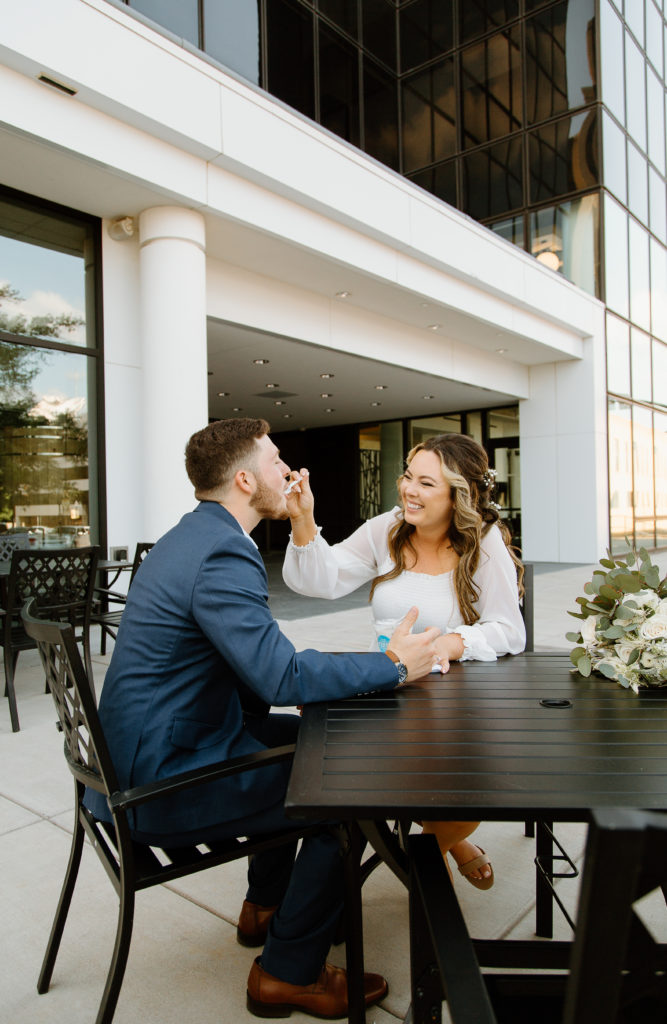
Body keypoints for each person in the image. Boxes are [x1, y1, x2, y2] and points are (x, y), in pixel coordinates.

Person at [84, 417, 440, 1020]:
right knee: (349, 788)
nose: (291, 472)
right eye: (277, 462)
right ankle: (286, 973)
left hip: (147, 751)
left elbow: (255, 669)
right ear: (246, 479)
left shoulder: (192, 537)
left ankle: (267, 907)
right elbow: (282, 677)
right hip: (159, 783)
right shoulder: (223, 551)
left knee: (318, 743)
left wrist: (317, 687)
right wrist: (394, 666)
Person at [282, 432, 526, 889]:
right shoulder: (386, 529)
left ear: (460, 496)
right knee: (343, 771)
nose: (409, 490)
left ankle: (428, 853)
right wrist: (303, 519)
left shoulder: (485, 542)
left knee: (475, 788)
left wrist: (448, 644)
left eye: (427, 483)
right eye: (408, 476)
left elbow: (510, 630)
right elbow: (320, 581)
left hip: (458, 704)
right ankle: (443, 849)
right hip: (388, 689)